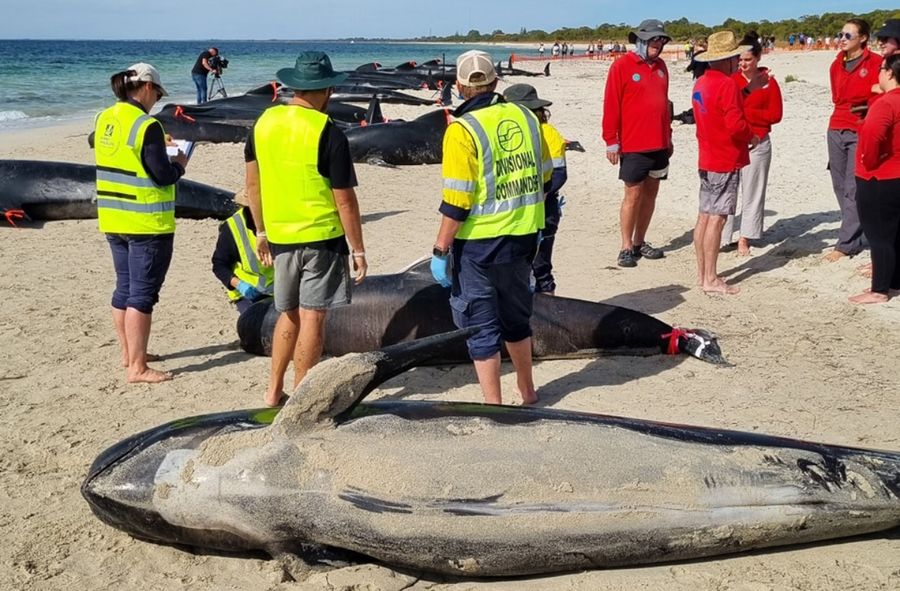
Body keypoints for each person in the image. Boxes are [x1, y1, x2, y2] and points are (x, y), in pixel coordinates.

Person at [245, 51, 367, 407]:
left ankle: (272, 391)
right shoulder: (328, 132)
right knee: (314, 316)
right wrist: (357, 249)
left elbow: (253, 185)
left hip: (280, 236)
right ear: (326, 89)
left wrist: (261, 231)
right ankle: (301, 397)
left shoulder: (263, 123)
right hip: (321, 237)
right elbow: (344, 200)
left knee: (288, 314)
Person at [431, 50, 551, 406]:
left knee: (481, 327)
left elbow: (457, 202)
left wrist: (440, 250)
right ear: (496, 81)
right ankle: (529, 393)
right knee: (517, 319)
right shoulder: (527, 117)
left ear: (459, 86)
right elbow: (545, 175)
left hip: (478, 247)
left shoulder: (461, 130)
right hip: (524, 239)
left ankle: (493, 405)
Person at [94, 63, 188, 383]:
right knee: (142, 295)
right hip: (146, 221)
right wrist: (180, 164)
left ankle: (128, 354)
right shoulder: (146, 125)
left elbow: (102, 145)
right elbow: (162, 175)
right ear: (147, 87)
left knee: (124, 288)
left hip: (112, 215)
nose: (156, 101)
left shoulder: (105, 117)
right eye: (157, 95)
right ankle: (138, 367)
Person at [690, 31, 757, 295]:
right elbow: (735, 124)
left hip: (707, 155)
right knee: (715, 219)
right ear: (728, 59)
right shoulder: (726, 84)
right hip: (723, 157)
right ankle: (710, 278)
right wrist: (750, 135)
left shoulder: (702, 82)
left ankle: (702, 274)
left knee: (705, 216)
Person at [602, 19, 673, 267]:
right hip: (633, 144)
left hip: (660, 144)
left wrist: (669, 136)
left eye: (662, 40)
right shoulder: (621, 66)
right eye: (654, 40)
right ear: (641, 40)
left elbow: (665, 105)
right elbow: (611, 104)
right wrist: (611, 140)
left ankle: (640, 242)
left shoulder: (662, 66)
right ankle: (625, 246)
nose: (659, 44)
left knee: (651, 194)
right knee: (633, 195)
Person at [824, 19, 882, 262]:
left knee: (853, 186)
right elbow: (837, 97)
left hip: (860, 129)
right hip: (835, 126)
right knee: (839, 185)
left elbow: (884, 95)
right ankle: (856, 231)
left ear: (863, 38)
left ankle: (846, 244)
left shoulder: (877, 63)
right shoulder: (835, 64)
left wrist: (866, 107)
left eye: (849, 35)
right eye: (841, 34)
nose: (842, 39)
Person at [503, 83, 568, 294]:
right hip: (514, 208)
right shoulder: (508, 133)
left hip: (543, 208)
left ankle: (549, 308)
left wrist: (540, 194)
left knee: (540, 267)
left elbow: (559, 174)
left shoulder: (548, 133)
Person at [722, 35, 783, 255]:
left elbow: (775, 115)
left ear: (757, 57)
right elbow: (726, 110)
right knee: (728, 190)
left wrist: (749, 117)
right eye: (739, 59)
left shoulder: (769, 81)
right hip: (734, 142)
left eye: (747, 59)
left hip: (759, 142)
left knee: (753, 191)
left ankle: (744, 238)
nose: (743, 63)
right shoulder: (731, 80)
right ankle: (723, 236)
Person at [850, 54, 900, 304]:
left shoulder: (885, 103)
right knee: (894, 232)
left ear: (890, 73)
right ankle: (894, 281)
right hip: (896, 175)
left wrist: (867, 164)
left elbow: (871, 137)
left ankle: (879, 289)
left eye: (881, 69)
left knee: (879, 234)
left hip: (880, 176)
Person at [211, 189, 274, 313]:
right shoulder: (233, 228)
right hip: (249, 293)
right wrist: (240, 285)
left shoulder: (279, 223)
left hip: (281, 291)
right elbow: (219, 265)